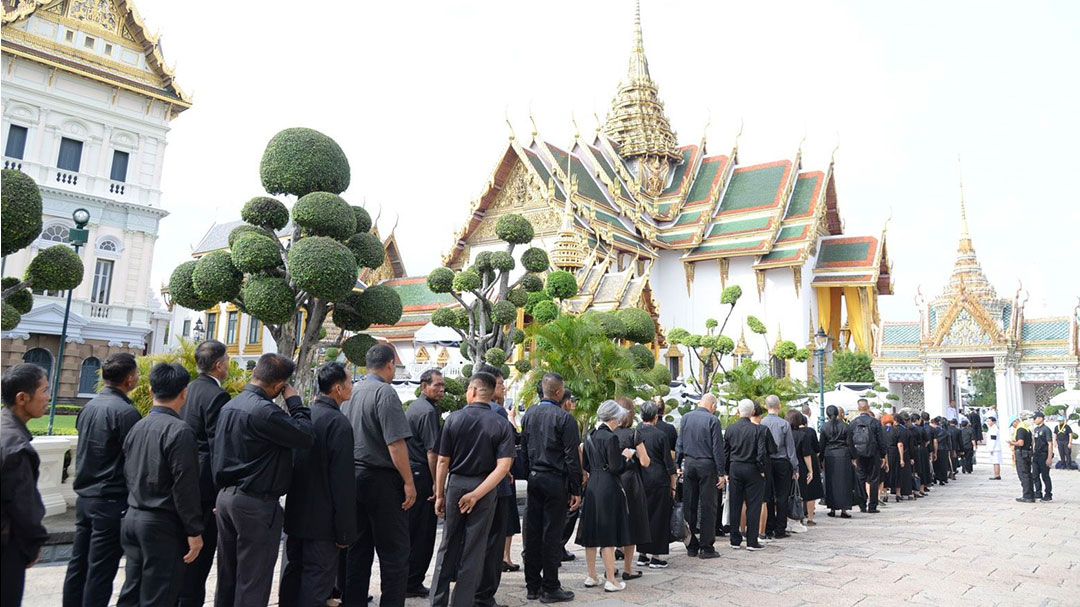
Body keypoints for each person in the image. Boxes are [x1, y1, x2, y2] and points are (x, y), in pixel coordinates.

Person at [212, 353, 314, 607]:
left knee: (228, 575)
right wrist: (295, 403)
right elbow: (305, 436)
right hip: (254, 503)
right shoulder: (265, 412)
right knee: (253, 580)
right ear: (279, 386)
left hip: (227, 497)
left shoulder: (230, 406)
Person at [117, 363, 203, 606]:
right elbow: (184, 486)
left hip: (134, 516)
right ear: (184, 393)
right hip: (160, 523)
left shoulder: (138, 426)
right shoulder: (179, 431)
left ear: (151, 389)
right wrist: (194, 531)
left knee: (132, 591)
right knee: (160, 595)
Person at [429, 372, 515, 607]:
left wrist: (439, 493)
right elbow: (504, 467)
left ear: (474, 391)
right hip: (485, 487)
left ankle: (437, 601)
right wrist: (478, 494)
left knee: (447, 545)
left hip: (456, 483)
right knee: (474, 549)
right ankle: (462, 602)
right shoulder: (501, 423)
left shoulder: (454, 419)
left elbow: (442, 461)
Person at [63, 352, 141, 607]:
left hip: (86, 498)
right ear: (129, 379)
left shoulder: (90, 407)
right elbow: (134, 459)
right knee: (100, 569)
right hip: (109, 500)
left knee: (79, 564)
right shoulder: (126, 413)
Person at [342, 344, 416, 607]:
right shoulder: (385, 393)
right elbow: (395, 444)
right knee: (394, 552)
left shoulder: (354, 390)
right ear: (389, 365)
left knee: (358, 549)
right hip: (381, 480)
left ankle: (354, 601)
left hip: (354, 476)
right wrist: (409, 482)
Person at [280, 362, 358, 607]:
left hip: (296, 514)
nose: (352, 386)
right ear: (337, 388)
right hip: (323, 522)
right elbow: (343, 482)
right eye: (349, 382)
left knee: (293, 575)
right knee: (317, 582)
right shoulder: (338, 424)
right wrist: (345, 530)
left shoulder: (305, 416)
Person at [178, 340, 231, 607]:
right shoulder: (216, 395)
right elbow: (219, 446)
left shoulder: (186, 389)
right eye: (228, 361)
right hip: (204, 486)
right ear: (219, 365)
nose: (229, 366)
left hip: (181, 478)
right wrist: (222, 489)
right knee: (197, 564)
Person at [520, 374, 581, 603]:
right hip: (555, 480)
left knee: (533, 533)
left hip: (535, 477)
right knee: (552, 535)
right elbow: (571, 457)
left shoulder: (529, 415)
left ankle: (532, 585)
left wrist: (528, 475)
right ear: (558, 392)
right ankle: (550, 586)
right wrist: (576, 489)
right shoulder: (565, 419)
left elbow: (523, 450)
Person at [1, 364, 50, 606]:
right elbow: (24, 509)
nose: (48, 398)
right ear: (22, 398)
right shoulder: (16, 447)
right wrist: (33, 545)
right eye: (44, 390)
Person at [577, 401, 634, 593]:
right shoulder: (611, 438)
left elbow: (585, 466)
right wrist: (626, 457)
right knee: (608, 532)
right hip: (608, 486)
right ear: (614, 417)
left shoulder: (590, 435)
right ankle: (611, 579)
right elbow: (616, 467)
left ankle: (592, 575)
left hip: (593, 486)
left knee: (591, 531)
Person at [474, 364, 514, 607]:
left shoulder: (464, 413)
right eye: (500, 384)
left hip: (472, 484)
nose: (503, 387)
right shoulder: (497, 414)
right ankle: (485, 594)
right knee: (493, 541)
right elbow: (505, 457)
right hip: (495, 486)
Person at [403, 369, 444, 598]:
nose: (441, 390)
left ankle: (409, 579)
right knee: (422, 534)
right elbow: (432, 453)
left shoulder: (416, 407)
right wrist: (437, 485)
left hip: (413, 472)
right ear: (423, 386)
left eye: (443, 386)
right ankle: (412, 581)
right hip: (422, 473)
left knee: (414, 531)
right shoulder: (427, 411)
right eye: (437, 385)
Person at [675, 393, 727, 558]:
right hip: (707, 465)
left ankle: (691, 544)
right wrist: (721, 473)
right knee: (708, 505)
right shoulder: (713, 420)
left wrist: (678, 464)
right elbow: (717, 449)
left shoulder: (686, 418)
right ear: (712, 405)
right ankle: (706, 546)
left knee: (690, 504)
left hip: (689, 464)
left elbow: (680, 443)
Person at [636, 402, 676, 568]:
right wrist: (673, 484)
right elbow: (669, 462)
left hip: (640, 479)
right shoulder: (660, 435)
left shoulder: (636, 433)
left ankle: (642, 554)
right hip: (659, 479)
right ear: (656, 417)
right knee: (659, 517)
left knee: (643, 516)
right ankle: (656, 556)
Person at [613, 398, 650, 580]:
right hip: (631, 482)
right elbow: (645, 461)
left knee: (612, 524)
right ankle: (628, 568)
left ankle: (609, 567)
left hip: (613, 481)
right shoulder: (633, 434)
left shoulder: (607, 433)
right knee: (632, 524)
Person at [725, 400, 768, 550]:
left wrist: (726, 471)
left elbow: (726, 452)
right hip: (752, 468)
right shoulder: (757, 430)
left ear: (738, 411)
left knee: (735, 504)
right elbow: (761, 453)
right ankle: (751, 540)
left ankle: (734, 539)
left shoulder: (730, 429)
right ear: (752, 413)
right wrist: (761, 469)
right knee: (754, 505)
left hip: (735, 467)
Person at [760, 395, 797, 538]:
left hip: (768, 463)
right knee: (782, 496)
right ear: (779, 406)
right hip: (782, 462)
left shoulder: (762, 423)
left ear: (766, 406)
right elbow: (790, 448)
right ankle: (780, 529)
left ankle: (768, 527)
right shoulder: (784, 424)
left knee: (768, 495)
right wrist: (795, 467)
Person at [788, 410, 823, 523]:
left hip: (788, 465)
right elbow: (807, 454)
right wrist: (811, 470)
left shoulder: (787, 433)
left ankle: (793, 517)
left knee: (791, 492)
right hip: (802, 465)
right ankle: (809, 518)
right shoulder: (805, 434)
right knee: (807, 492)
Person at [818, 406, 852, 518]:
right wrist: (854, 457)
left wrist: (820, 459)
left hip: (829, 456)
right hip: (843, 455)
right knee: (844, 483)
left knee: (830, 483)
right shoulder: (845, 426)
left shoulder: (824, 427)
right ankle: (844, 509)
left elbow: (821, 445)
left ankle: (832, 508)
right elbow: (850, 444)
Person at [1009, 417, 1035, 502]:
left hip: (1021, 454)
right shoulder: (1026, 429)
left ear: (1016, 421)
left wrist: (1011, 442)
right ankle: (1031, 494)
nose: (1013, 426)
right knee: (1028, 474)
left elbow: (1020, 443)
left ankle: (1027, 496)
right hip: (1027, 453)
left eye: (1013, 424)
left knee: (1023, 475)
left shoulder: (1020, 429)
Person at [881, 414, 905, 503]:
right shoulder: (896, 430)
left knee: (885, 473)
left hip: (884, 453)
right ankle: (898, 494)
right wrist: (902, 458)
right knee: (897, 472)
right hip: (894, 452)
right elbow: (900, 444)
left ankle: (885, 494)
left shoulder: (881, 430)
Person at [1030, 411, 1054, 502]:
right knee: (1035, 475)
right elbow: (1034, 442)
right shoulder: (1036, 429)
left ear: (1040, 418)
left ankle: (1048, 494)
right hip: (1036, 455)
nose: (1034, 420)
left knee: (1045, 476)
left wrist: (1049, 457)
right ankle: (1038, 493)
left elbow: (1050, 444)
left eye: (1035, 418)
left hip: (1044, 455)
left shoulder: (1046, 429)